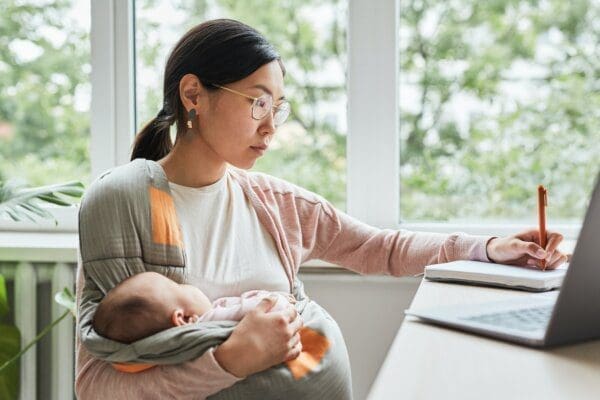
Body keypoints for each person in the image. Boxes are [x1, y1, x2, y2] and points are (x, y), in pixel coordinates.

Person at [75, 18, 568, 400]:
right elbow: (96, 385)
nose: (271, 126)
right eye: (257, 102)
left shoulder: (274, 203)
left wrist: (490, 248)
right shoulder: (122, 204)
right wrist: (229, 361)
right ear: (193, 95)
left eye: (278, 107)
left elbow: (381, 248)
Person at [92, 271, 296, 344]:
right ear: (183, 319)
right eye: (178, 286)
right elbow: (270, 310)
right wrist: (277, 298)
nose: (186, 284)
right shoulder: (211, 322)